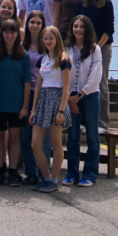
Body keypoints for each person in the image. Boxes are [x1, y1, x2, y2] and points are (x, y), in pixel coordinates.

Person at [0, 19, 30, 187]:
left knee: (14, 138)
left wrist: (25, 106)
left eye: (13, 32)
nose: (9, 35)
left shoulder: (23, 55)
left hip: (17, 104)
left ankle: (13, 171)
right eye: (6, 32)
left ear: (17, 35)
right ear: (1, 34)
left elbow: (27, 82)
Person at [29, 26, 72, 194]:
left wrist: (61, 111)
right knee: (35, 144)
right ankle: (46, 177)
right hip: (43, 101)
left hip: (57, 101)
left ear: (57, 39)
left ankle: (54, 179)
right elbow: (38, 85)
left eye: (51, 38)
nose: (48, 41)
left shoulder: (64, 59)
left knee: (56, 143)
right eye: (45, 38)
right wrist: (33, 110)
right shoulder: (43, 59)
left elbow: (66, 87)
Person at [64, 15, 102, 187]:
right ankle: (72, 173)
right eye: (75, 26)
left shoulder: (95, 49)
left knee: (92, 137)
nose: (77, 29)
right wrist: (69, 99)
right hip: (70, 96)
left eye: (81, 26)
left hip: (89, 96)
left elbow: (95, 77)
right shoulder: (66, 48)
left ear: (87, 29)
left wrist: (78, 96)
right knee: (73, 137)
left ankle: (90, 174)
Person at [20, 11, 52, 186]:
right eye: (31, 22)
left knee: (43, 138)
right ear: (27, 24)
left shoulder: (47, 45)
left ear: (43, 25)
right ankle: (31, 172)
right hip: (26, 93)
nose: (34, 25)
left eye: (38, 22)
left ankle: (44, 173)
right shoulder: (21, 46)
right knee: (25, 135)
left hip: (44, 94)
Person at [78, 0, 113, 132]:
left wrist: (96, 48)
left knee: (101, 82)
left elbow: (109, 29)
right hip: (85, 48)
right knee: (84, 82)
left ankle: (103, 123)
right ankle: (85, 122)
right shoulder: (82, 4)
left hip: (102, 47)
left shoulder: (106, 3)